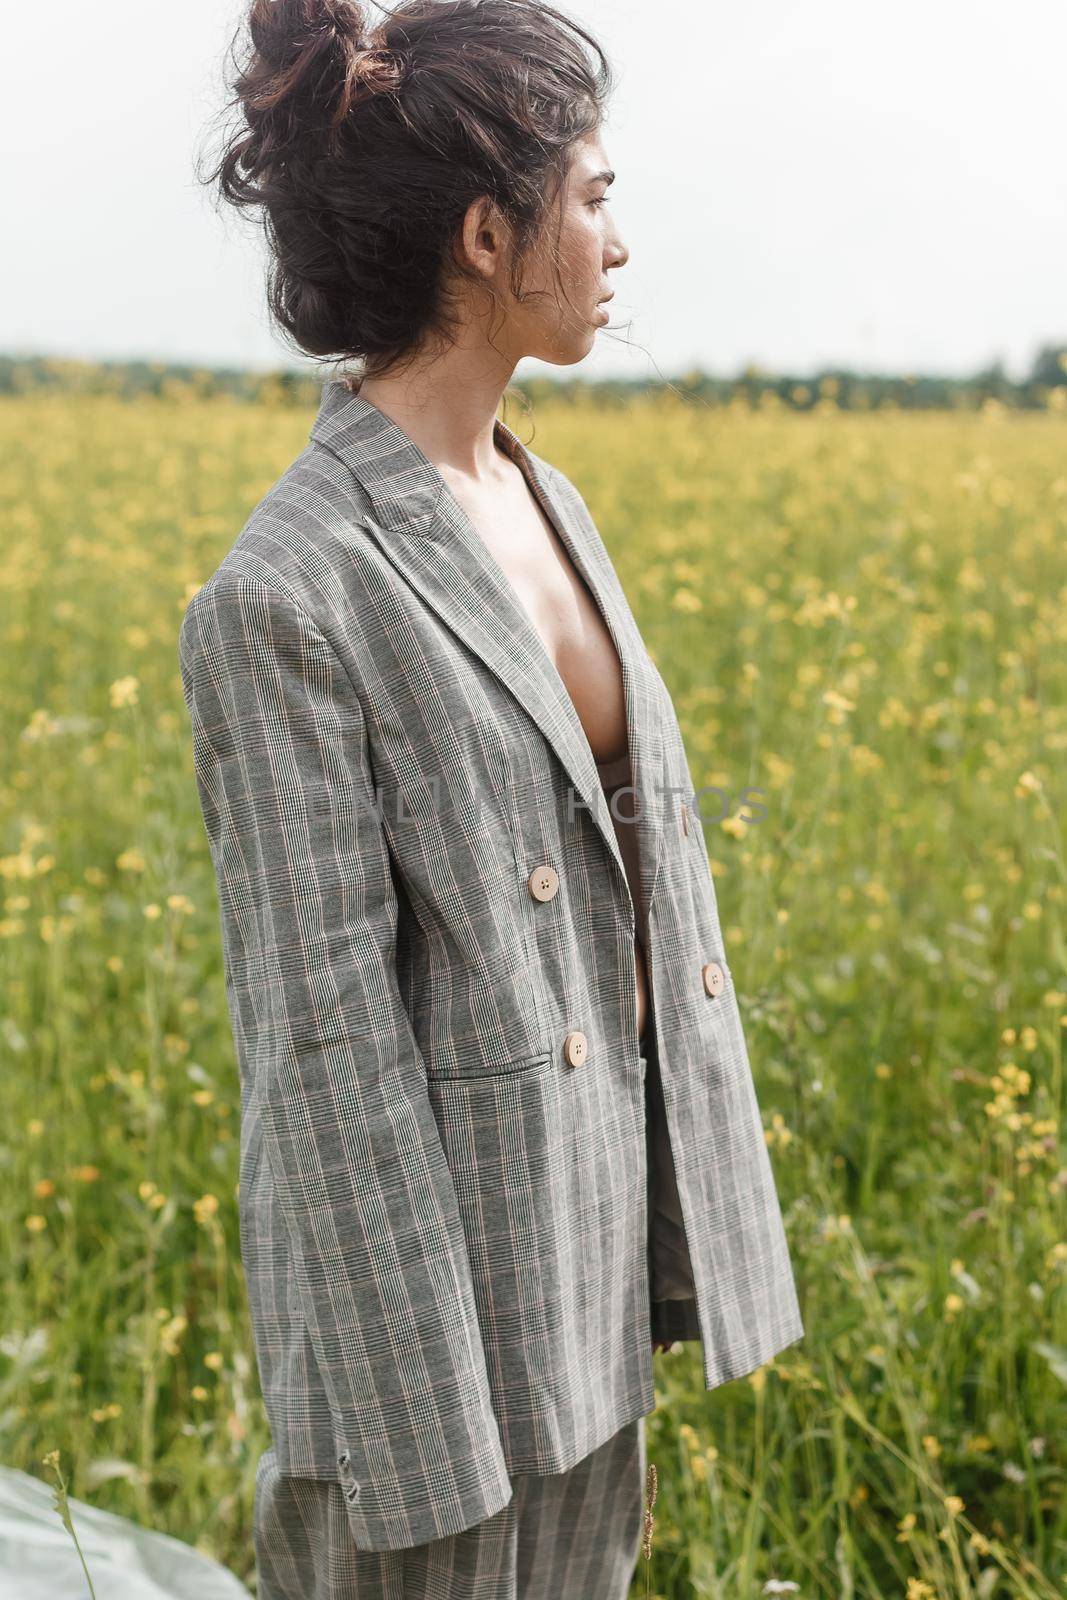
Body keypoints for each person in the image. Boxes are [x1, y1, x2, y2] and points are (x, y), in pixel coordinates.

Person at [181, 1, 804, 1594]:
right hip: (427, 1347)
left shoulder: (541, 492)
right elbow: (323, 1053)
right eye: (589, 195)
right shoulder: (285, 593)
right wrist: (428, 1428)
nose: (615, 237)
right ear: (483, 233)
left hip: (575, 1258)